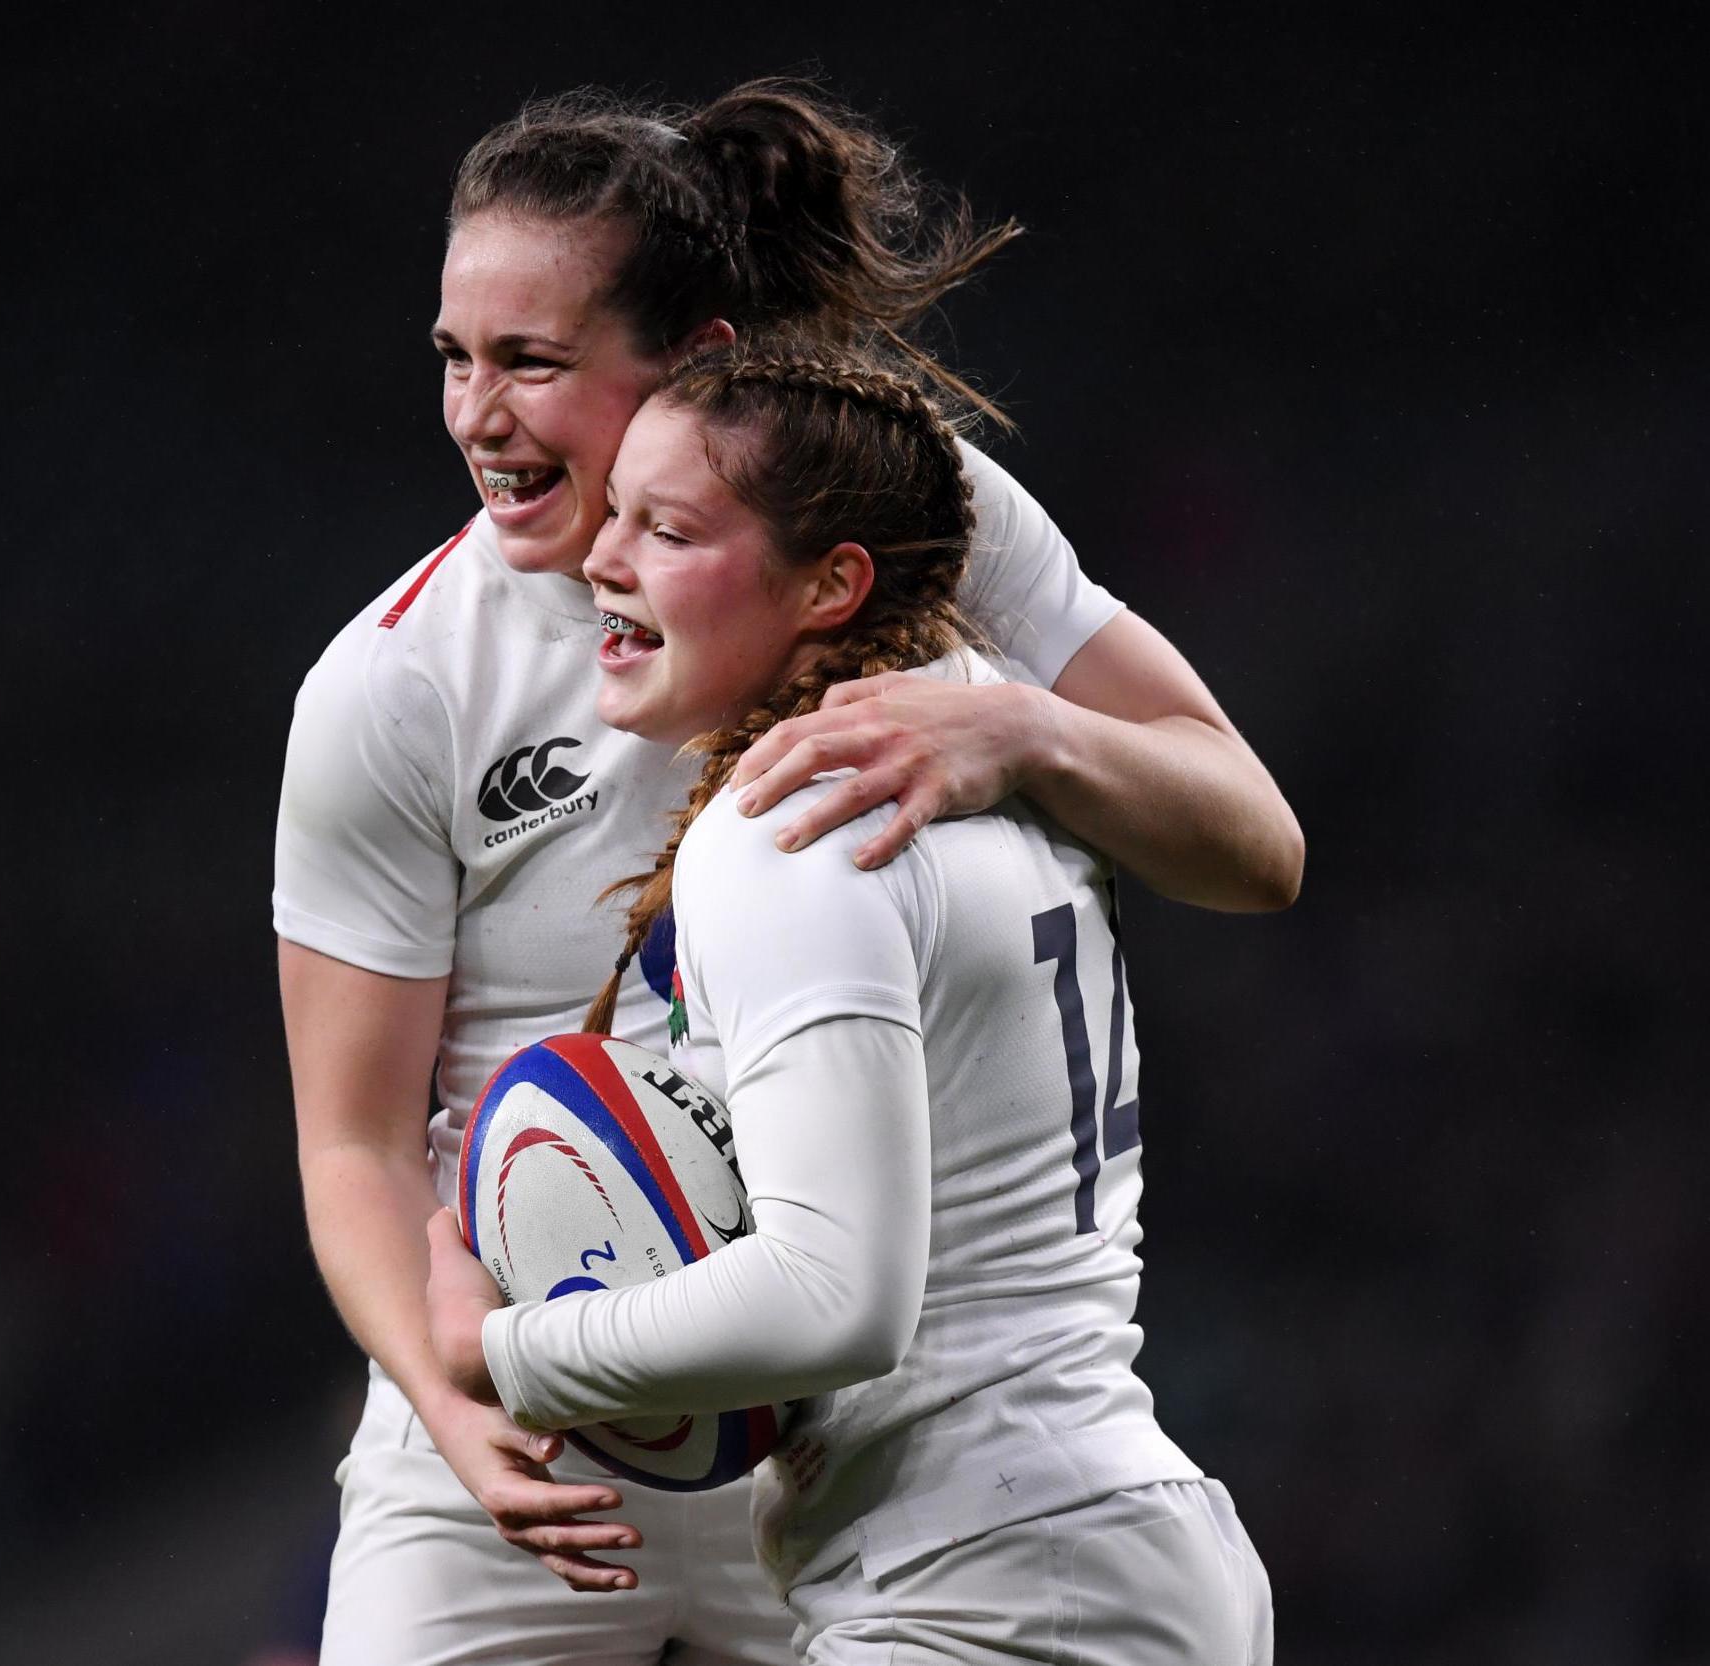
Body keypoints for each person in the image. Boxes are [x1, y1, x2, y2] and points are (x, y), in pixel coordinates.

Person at [274, 80, 1298, 1666]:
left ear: (697, 357)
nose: (479, 413)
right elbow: (353, 1138)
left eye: (532, 361)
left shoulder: (901, 506)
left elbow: (1254, 840)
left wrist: (1025, 735)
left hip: (830, 1416)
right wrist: (456, 1393)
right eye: (454, 356)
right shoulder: (396, 685)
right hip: (519, 1420)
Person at [426, 342, 1275, 1664]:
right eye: (617, 517)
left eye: (669, 528)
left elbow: (832, 1299)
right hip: (1095, 1537)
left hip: (987, 1588)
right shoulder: (984, 730)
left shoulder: (794, 825)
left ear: (831, 583)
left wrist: (502, 1349)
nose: (603, 559)